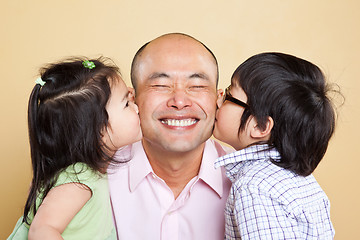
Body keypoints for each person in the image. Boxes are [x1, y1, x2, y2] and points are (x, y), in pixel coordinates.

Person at [108, 33, 232, 239]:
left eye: (197, 86)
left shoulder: (252, 183)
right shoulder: (90, 179)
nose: (180, 101)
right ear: (133, 98)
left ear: (218, 100)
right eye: (160, 85)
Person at [7, 57, 141, 240]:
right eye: (126, 104)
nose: (136, 105)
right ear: (97, 131)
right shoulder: (79, 179)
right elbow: (40, 232)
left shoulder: (81, 174)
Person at [213, 52, 337, 239]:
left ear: (260, 126)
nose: (218, 97)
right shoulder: (297, 178)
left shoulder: (253, 188)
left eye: (229, 94)